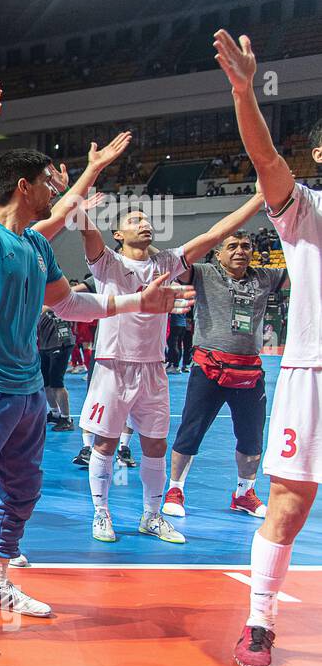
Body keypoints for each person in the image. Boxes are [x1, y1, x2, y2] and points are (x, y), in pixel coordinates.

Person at [0, 148, 193, 656]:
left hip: (26, 386)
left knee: (23, 487)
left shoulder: (35, 244)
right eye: (46, 184)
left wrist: (137, 302)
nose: (54, 192)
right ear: (22, 185)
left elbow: (69, 302)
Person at [0, 134, 133, 565]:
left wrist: (92, 170)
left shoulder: (27, 243)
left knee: (15, 477)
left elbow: (63, 235)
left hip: (17, 378)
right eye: (45, 181)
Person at [213, 27, 322, 666]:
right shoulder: (305, 208)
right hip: (313, 373)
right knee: (289, 499)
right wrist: (245, 92)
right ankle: (260, 620)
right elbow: (264, 162)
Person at [73, 198, 263, 544]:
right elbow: (87, 229)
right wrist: (74, 194)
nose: (144, 223)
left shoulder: (165, 261)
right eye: (135, 220)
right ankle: (101, 513)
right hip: (113, 364)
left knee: (156, 445)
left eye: (147, 219)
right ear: (118, 233)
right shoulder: (108, 263)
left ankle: (152, 515)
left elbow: (216, 233)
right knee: (105, 442)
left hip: (153, 367)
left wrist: (258, 199)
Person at [164, 218, 286, 520]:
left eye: (246, 246)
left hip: (249, 371)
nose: (240, 251)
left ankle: (244, 493)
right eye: (231, 246)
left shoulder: (266, 277)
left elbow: (306, 268)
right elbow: (174, 262)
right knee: (190, 431)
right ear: (218, 253)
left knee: (252, 438)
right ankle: (175, 488)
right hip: (209, 367)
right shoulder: (204, 273)